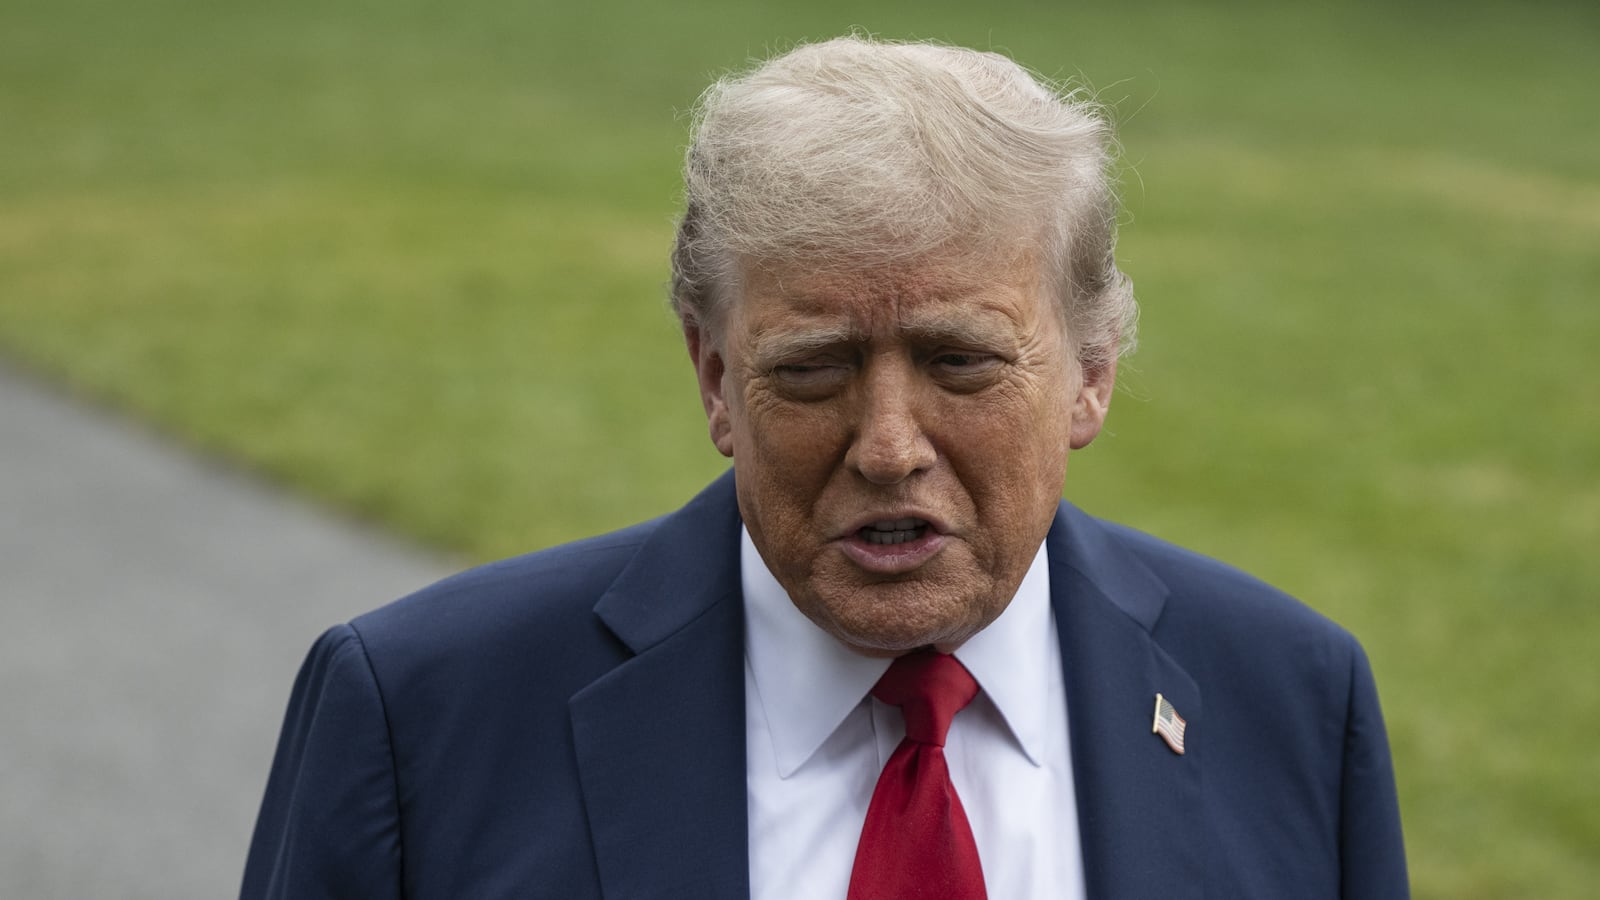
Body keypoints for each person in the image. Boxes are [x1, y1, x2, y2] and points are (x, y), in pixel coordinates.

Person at [241, 36, 1408, 900]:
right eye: (813, 369)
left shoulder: (1294, 702)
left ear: (1090, 374)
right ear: (714, 380)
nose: (889, 446)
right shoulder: (417, 716)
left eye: (959, 361)